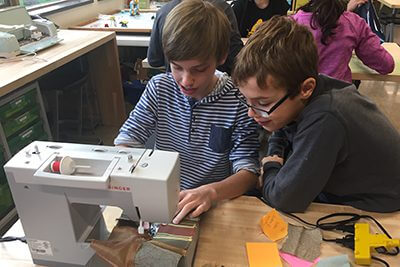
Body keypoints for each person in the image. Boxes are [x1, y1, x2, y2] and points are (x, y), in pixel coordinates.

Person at [232, 16, 400, 213]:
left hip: (374, 209)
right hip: (342, 189)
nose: (251, 113)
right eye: (248, 100)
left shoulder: (327, 116)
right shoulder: (304, 91)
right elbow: (282, 129)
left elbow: (285, 200)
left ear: (306, 88)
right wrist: (275, 155)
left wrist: (270, 167)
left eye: (262, 103)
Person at [116, 0, 260, 223]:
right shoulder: (159, 87)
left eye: (199, 69)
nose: (186, 80)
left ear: (221, 57)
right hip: (163, 199)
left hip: (213, 204)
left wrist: (210, 192)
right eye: (177, 67)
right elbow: (127, 141)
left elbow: (248, 173)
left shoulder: (238, 99)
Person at [292, 0, 394, 83]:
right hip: (339, 99)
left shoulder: (293, 23)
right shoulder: (354, 23)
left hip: (302, 100)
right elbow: (386, 65)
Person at [147, 0, 243, 75]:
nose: (187, 81)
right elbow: (236, 60)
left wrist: (177, 66)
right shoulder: (222, 8)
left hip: (175, 91)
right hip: (217, 88)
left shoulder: (164, 11)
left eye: (199, 69)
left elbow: (154, 60)